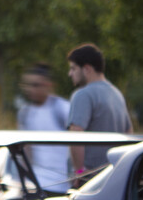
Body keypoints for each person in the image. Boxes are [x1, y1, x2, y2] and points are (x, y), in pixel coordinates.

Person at [65, 43, 132, 181]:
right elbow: (129, 133)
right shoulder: (116, 93)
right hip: (114, 177)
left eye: (73, 68)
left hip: (90, 179)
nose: (70, 74)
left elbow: (76, 134)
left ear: (87, 69)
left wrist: (79, 171)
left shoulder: (82, 94)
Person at [17, 64, 70, 192]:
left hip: (62, 184)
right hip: (35, 185)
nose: (30, 89)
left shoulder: (62, 108)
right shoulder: (25, 112)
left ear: (48, 85)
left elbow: (77, 143)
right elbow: (25, 149)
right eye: (27, 85)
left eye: (36, 85)